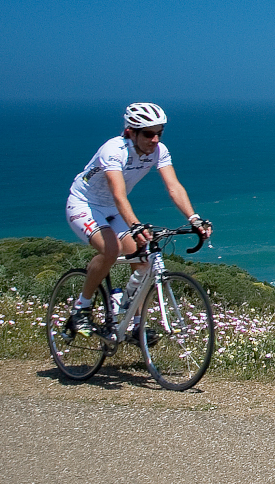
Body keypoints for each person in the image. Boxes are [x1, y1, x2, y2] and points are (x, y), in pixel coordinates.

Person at [63, 102, 212, 338]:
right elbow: (118, 193)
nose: (155, 140)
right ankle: (81, 308)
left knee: (144, 260)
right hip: (85, 205)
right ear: (130, 132)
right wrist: (135, 225)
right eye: (148, 134)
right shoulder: (113, 150)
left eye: (159, 134)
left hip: (112, 208)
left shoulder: (159, 151)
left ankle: (135, 324)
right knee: (111, 250)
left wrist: (194, 219)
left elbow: (174, 187)